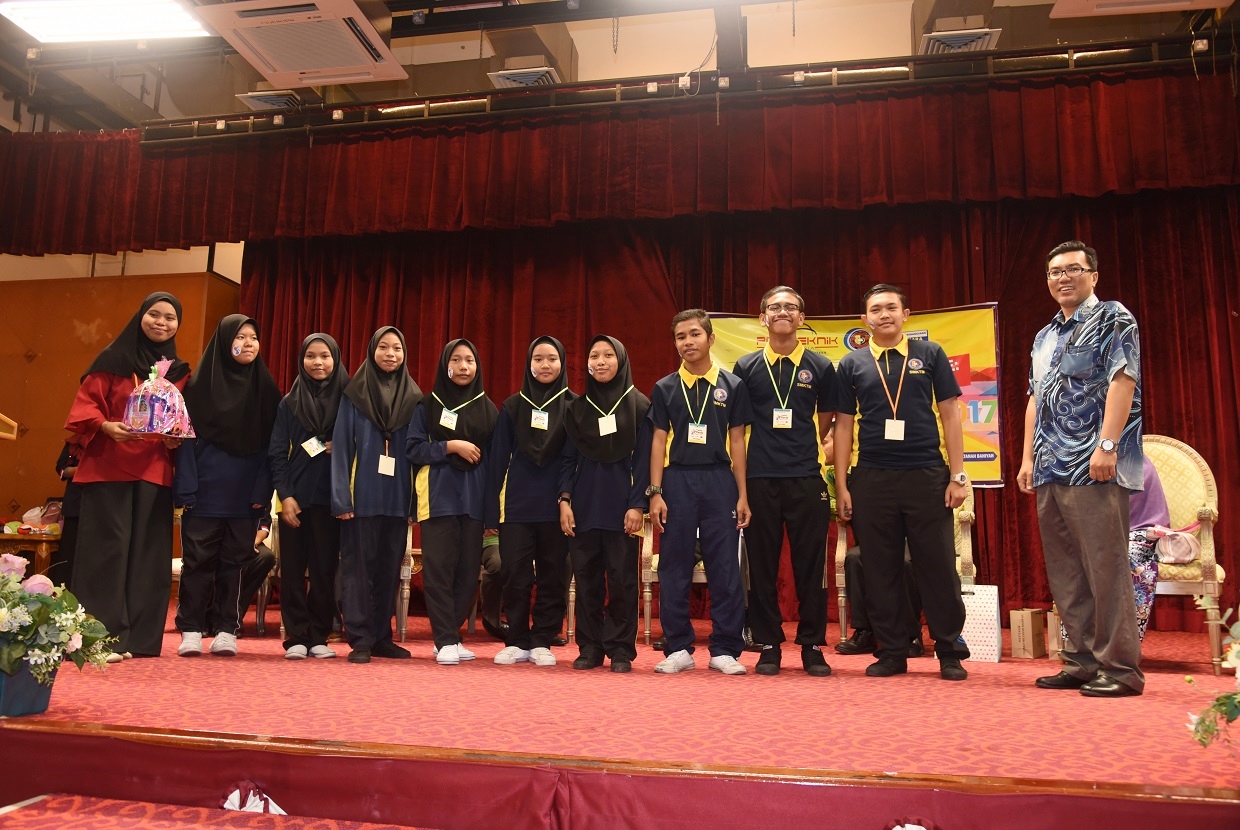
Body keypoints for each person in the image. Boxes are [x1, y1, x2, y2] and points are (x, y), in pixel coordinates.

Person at [1018, 240, 1144, 698]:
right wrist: (1027, 457)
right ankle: (1082, 661)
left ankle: (1121, 669)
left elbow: (1123, 381)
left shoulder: (1113, 318)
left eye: (1073, 269)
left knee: (1105, 568)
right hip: (1049, 466)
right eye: (1054, 272)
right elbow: (1034, 398)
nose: (1062, 278)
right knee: (1066, 571)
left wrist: (1107, 445)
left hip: (1094, 466)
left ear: (1093, 275)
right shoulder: (1044, 335)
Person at [834, 284, 971, 681]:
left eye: (891, 307)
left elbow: (950, 414)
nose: (884, 315)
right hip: (872, 478)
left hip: (926, 475)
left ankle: (949, 650)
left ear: (906, 314)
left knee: (938, 565)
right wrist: (842, 485)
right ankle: (892, 650)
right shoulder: (851, 364)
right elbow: (843, 426)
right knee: (880, 568)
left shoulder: (930, 354)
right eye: (876, 309)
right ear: (865, 320)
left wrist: (958, 475)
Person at [66, 292, 190, 660]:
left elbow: (180, 418)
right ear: (140, 316)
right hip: (109, 466)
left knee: (147, 556)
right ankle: (100, 639)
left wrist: (175, 438)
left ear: (178, 325)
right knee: (107, 552)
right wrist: (105, 426)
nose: (161, 322)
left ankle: (140, 640)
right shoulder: (112, 359)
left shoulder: (179, 371)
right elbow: (85, 406)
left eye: (170, 317)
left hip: (154, 470)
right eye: (154, 314)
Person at [732, 286, 837, 677]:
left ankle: (812, 644)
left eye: (790, 307)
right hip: (760, 478)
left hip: (806, 477)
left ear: (801, 318)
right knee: (761, 568)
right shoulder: (745, 367)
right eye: (774, 307)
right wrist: (742, 492)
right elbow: (737, 430)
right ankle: (768, 643)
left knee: (811, 566)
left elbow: (824, 421)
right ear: (763, 318)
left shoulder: (821, 366)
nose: (782, 312)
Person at [647, 310, 753, 676]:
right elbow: (658, 441)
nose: (687, 342)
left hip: (719, 481)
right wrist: (655, 492)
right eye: (680, 336)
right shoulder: (665, 387)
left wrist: (742, 494)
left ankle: (725, 648)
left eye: (694, 334)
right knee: (674, 566)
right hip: (677, 481)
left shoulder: (732, 385)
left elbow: (737, 442)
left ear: (711, 338)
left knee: (724, 566)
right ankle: (678, 647)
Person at [175, 314, 280, 658]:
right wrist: (186, 490)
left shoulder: (267, 390)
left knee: (234, 565)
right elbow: (185, 442)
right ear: (224, 341)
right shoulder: (197, 388)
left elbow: (271, 451)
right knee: (197, 564)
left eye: (254, 337)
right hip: (203, 493)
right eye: (240, 337)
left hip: (245, 496)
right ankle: (191, 629)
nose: (249, 343)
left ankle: (226, 630)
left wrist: (261, 495)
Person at [560, 335, 652, 672]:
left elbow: (645, 461)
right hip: (584, 506)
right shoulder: (577, 408)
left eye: (608, 355)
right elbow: (567, 460)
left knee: (623, 580)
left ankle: (621, 649)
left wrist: (637, 505)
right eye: (594, 356)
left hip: (623, 508)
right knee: (587, 580)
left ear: (621, 360)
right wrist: (564, 500)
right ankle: (590, 647)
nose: (600, 361)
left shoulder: (639, 405)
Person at [332, 326, 423, 664]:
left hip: (397, 498)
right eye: (383, 347)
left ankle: (382, 636)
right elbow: (341, 448)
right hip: (360, 497)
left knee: (388, 570)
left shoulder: (414, 398)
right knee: (358, 571)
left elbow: (417, 454)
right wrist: (341, 497)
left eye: (396, 348)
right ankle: (360, 639)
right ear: (372, 351)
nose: (390, 354)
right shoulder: (353, 395)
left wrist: (414, 503)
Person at [408, 339, 498, 666]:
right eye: (456, 360)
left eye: (469, 360)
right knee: (439, 571)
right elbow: (413, 449)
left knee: (467, 573)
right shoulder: (427, 405)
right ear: (445, 365)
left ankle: (451, 635)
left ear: (477, 367)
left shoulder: (489, 409)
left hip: (473, 501)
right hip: (438, 498)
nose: (463, 366)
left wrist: (492, 512)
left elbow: (494, 464)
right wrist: (450, 446)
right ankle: (445, 638)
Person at [487, 336, 574, 667]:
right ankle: (517, 639)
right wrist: (490, 511)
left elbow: (572, 461)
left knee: (554, 574)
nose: (545, 365)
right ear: (529, 364)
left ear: (562, 363)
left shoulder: (574, 406)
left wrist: (566, 498)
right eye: (538, 359)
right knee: (514, 574)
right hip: (517, 506)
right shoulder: (512, 406)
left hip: (557, 506)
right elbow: (497, 461)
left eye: (552, 358)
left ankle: (542, 639)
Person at [270, 333, 349, 660]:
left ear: (335, 359)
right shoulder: (289, 403)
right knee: (292, 571)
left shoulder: (349, 400)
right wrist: (286, 496)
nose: (318, 362)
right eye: (311, 356)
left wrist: (342, 446)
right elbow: (277, 454)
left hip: (332, 500)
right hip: (296, 500)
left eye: (325, 356)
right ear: (301, 360)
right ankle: (296, 637)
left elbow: (363, 443)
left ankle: (319, 635)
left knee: (324, 571)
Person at [51, 442, 83, 588]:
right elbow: (61, 469)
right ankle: (62, 591)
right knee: (69, 552)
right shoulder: (74, 442)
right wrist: (84, 469)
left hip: (104, 506)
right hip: (76, 504)